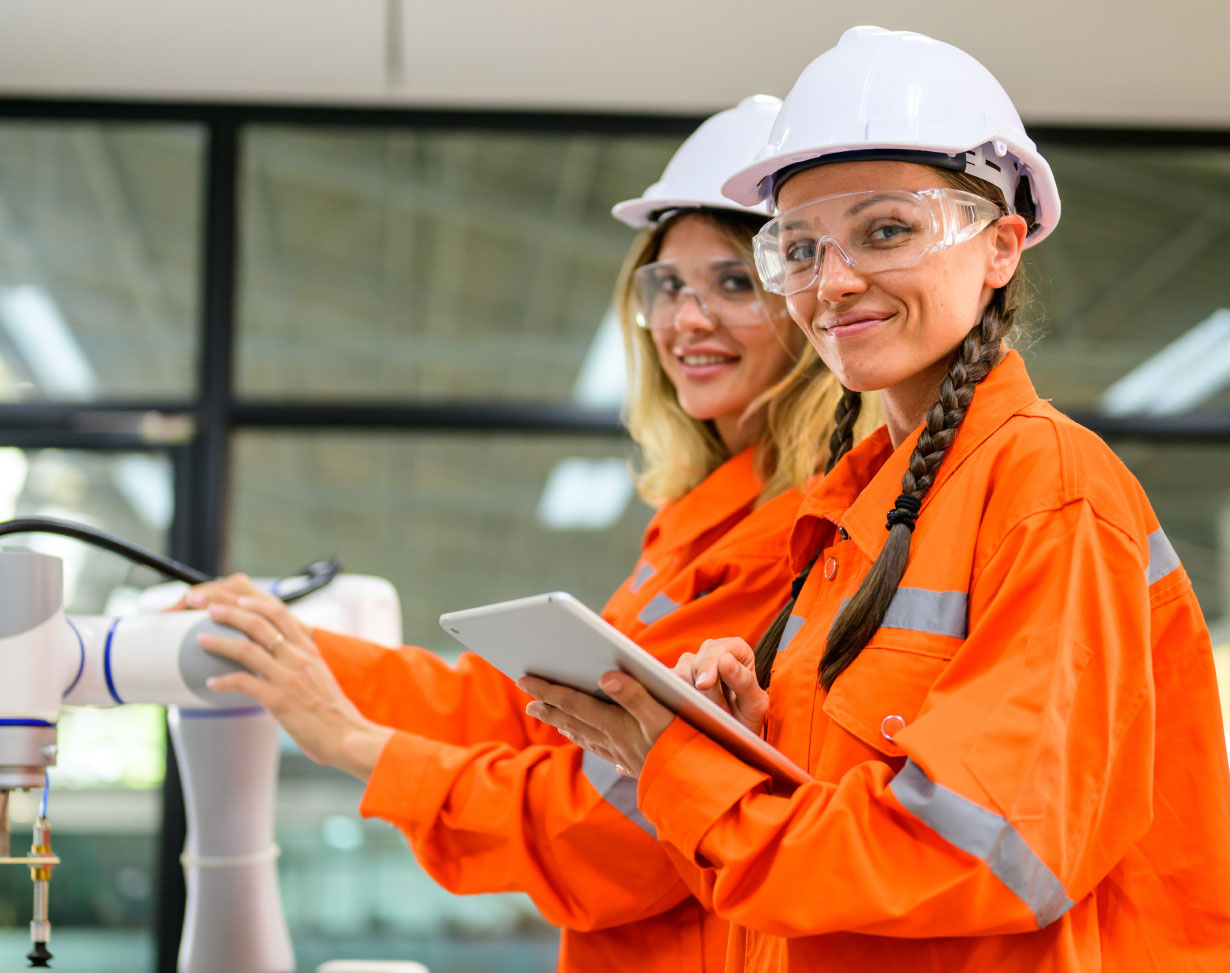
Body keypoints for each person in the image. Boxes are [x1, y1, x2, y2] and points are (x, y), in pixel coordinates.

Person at [519, 28, 1230, 972]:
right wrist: (744, 737)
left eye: (887, 230)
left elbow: (983, 851)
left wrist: (686, 772)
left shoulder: (1048, 486)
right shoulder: (855, 516)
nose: (835, 281)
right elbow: (842, 812)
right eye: (803, 247)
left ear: (1000, 247)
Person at [190, 95, 877, 973]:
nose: (687, 319)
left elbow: (612, 826)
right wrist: (292, 646)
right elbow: (532, 713)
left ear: (806, 294)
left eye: (734, 282)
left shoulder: (796, 536)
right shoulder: (701, 520)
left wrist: (354, 743)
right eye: (667, 285)